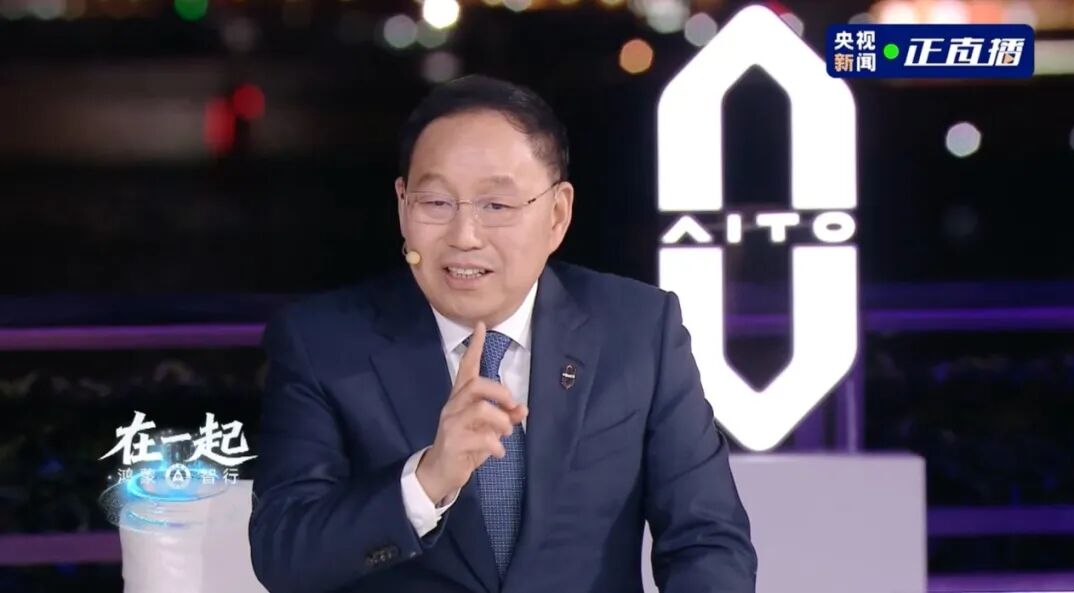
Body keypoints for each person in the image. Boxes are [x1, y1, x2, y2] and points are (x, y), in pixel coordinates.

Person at [249, 74, 756, 593]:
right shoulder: (323, 345)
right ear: (402, 206)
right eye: (436, 203)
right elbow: (285, 554)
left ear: (557, 215)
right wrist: (426, 482)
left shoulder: (638, 330)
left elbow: (707, 541)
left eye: (496, 206)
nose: (465, 236)